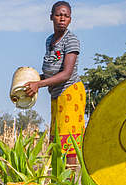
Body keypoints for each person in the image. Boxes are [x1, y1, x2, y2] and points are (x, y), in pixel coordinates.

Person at [24, 1, 85, 166]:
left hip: (70, 92)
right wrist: (33, 80)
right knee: (56, 137)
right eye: (59, 15)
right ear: (51, 17)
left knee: (68, 138)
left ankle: (70, 181)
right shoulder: (49, 40)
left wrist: (39, 84)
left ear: (70, 19)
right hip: (56, 94)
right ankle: (58, 180)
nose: (62, 19)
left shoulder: (71, 40)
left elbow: (66, 74)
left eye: (66, 16)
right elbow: (52, 71)